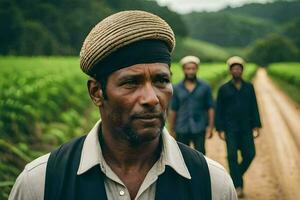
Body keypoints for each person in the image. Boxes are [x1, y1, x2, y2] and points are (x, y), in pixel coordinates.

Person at [9, 11, 237, 200]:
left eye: (161, 80)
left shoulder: (213, 185)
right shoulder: (40, 185)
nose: (151, 98)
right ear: (97, 92)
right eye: (131, 82)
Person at [215, 56, 262, 198]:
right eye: (233, 68)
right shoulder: (223, 89)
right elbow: (219, 109)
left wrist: (256, 125)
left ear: (242, 70)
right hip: (230, 128)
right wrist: (220, 128)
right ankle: (237, 185)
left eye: (239, 68)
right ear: (230, 71)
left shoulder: (249, 87)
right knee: (232, 156)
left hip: (246, 127)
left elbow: (254, 106)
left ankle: (233, 176)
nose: (236, 70)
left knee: (250, 154)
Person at [168, 56, 214, 155]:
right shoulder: (176, 88)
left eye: (193, 68)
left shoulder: (205, 87)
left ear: (197, 69)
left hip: (199, 126)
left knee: (201, 155)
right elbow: (173, 109)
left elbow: (210, 107)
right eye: (188, 69)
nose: (191, 71)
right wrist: (171, 129)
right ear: (184, 70)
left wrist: (210, 127)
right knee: (182, 156)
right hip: (181, 127)